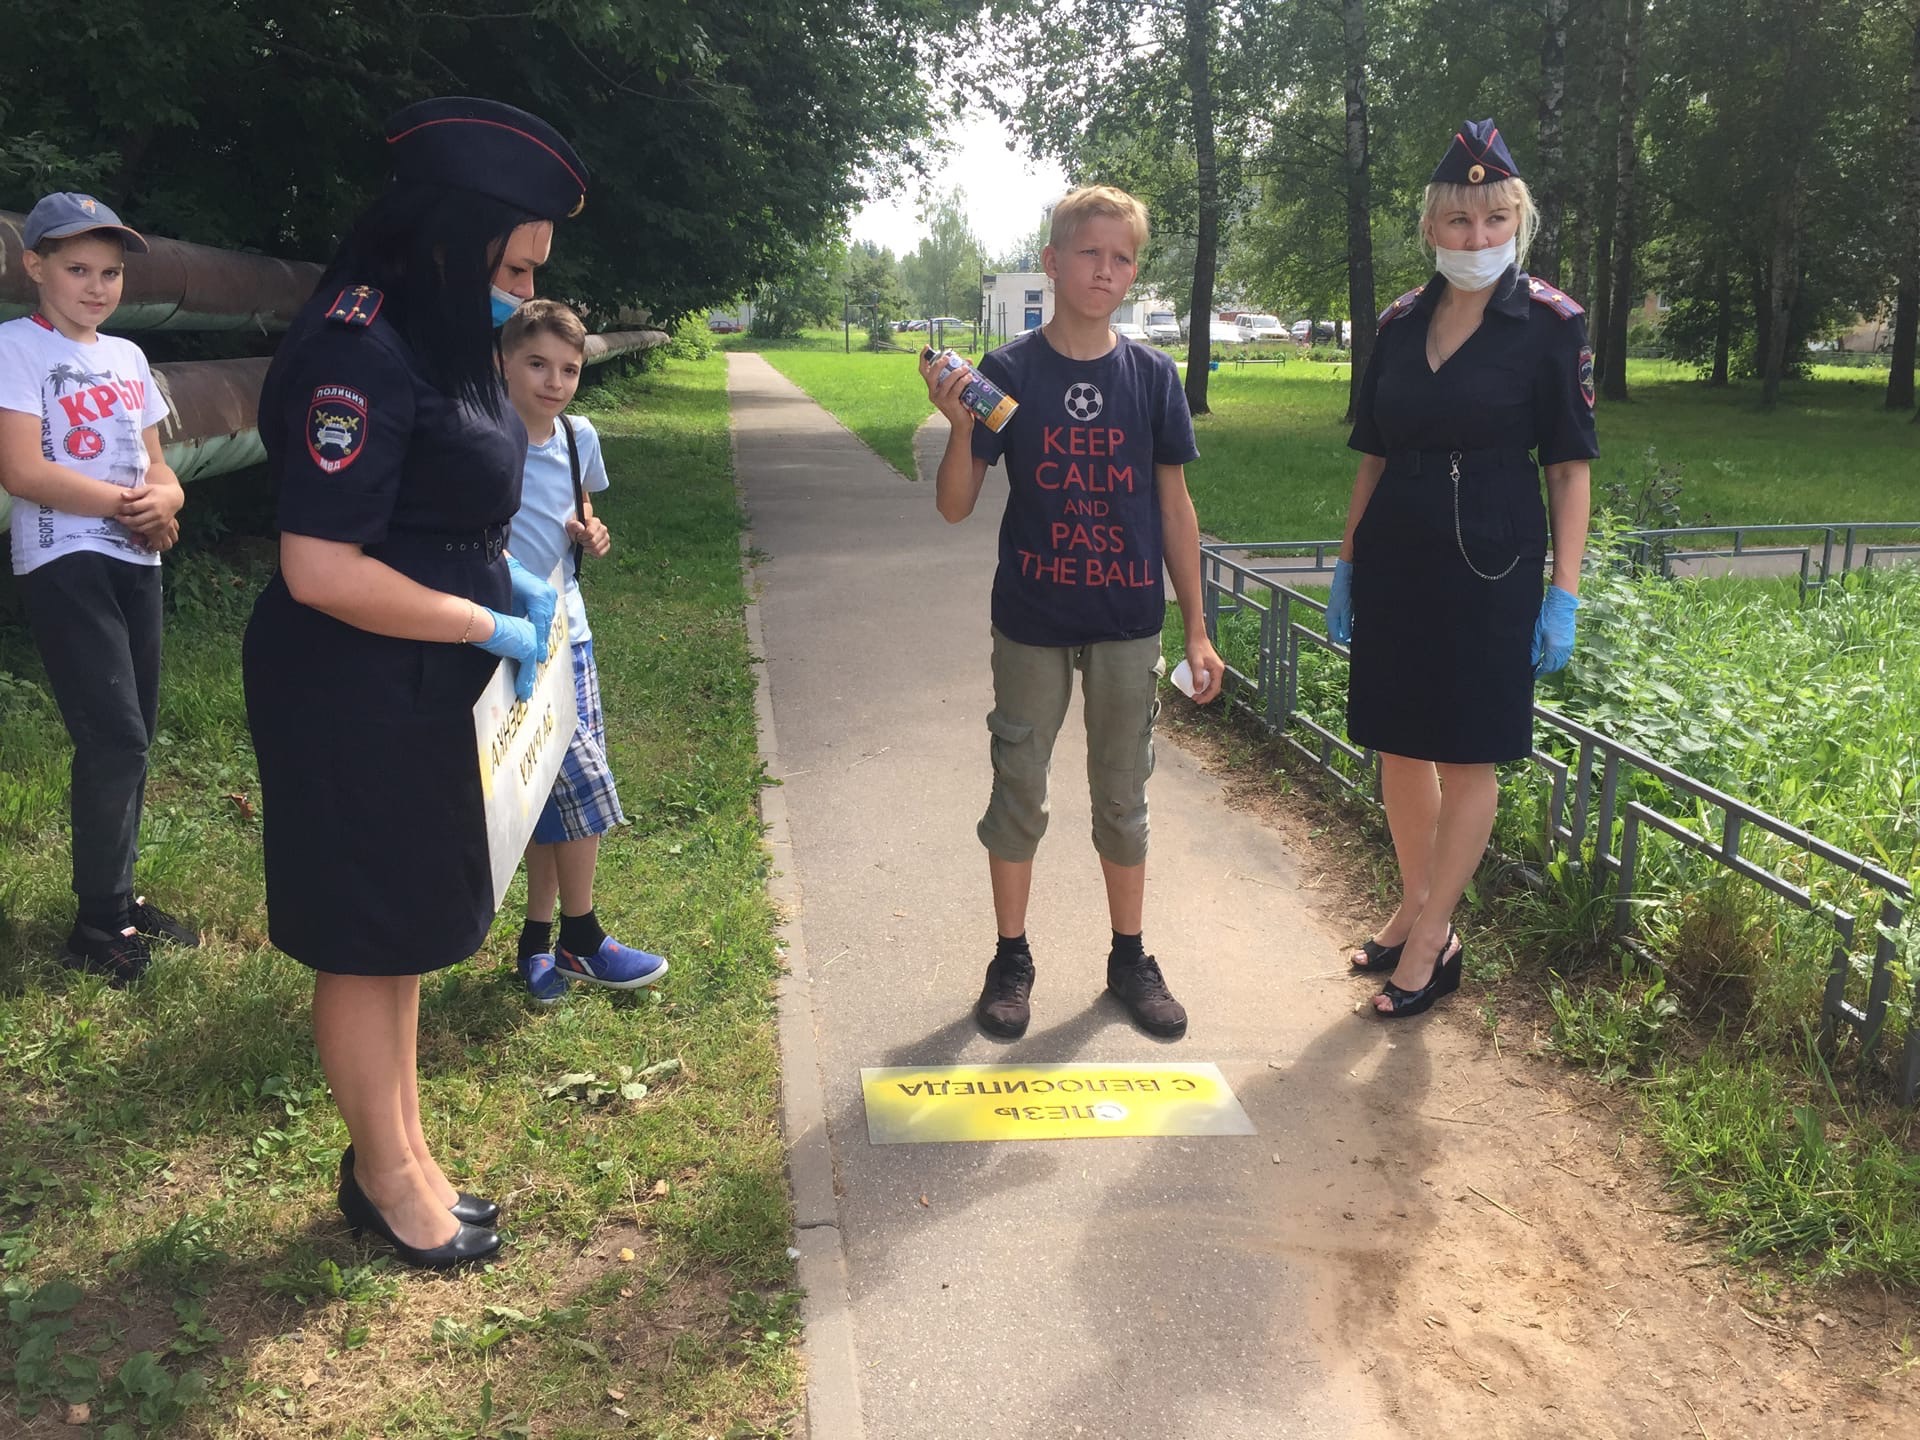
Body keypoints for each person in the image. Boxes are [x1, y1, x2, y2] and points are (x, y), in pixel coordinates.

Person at [241, 97, 589, 1269]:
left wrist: (507, 595)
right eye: (511, 264)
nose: (518, 288)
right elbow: (323, 566)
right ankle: (384, 1178)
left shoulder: (435, 328)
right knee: (365, 934)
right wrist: (487, 615)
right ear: (447, 234)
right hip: (352, 675)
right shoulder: (359, 347)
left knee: (404, 935)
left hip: (422, 670)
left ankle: (404, 1148)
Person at [921, 184, 1227, 1042]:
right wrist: (954, 425)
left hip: (1128, 616)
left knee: (1123, 793)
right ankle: (1010, 957)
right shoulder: (1007, 378)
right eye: (1089, 253)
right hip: (1033, 614)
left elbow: (1175, 508)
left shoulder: (1151, 378)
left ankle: (1130, 956)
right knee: (1019, 784)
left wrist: (1195, 626)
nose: (1107, 270)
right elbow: (954, 507)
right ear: (1052, 262)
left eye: (1122, 257)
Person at [1326, 119, 1596, 1018]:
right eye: (1456, 221)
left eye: (1491, 220)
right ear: (1431, 228)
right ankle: (1413, 903)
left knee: (1468, 752)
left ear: (1517, 220)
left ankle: (1436, 936)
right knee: (1399, 743)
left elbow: (1567, 467)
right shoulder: (1400, 323)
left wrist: (1563, 593)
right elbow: (1371, 449)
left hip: (1492, 557)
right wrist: (1349, 560)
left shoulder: (1551, 325)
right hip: (1398, 549)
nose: (1475, 238)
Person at [0, 193, 198, 985]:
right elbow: (21, 470)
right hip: (65, 554)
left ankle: (116, 894)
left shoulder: (126, 359)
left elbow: (155, 462)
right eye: (77, 268)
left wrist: (169, 500)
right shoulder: (17, 346)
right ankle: (95, 927)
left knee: (136, 733)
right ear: (34, 267)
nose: (96, 285)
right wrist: (130, 505)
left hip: (133, 559)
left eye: (110, 272)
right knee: (113, 734)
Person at [496, 298, 668, 1004]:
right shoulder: (488, 440)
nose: (554, 381)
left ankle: (542, 942)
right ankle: (585, 936)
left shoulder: (577, 437)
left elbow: (583, 511)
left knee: (552, 794)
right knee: (581, 788)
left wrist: (587, 531)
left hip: (573, 633)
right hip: (507, 639)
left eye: (568, 369)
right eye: (537, 364)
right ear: (503, 363)